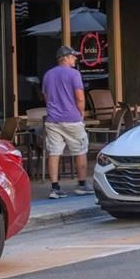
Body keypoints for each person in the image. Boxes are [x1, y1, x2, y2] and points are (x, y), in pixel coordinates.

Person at [41, 46, 92, 198]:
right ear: (64, 58)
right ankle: (82, 184)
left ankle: (55, 188)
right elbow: (80, 96)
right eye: (72, 56)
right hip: (72, 119)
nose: (75, 58)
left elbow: (46, 96)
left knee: (54, 152)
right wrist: (81, 113)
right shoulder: (74, 74)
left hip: (52, 120)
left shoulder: (48, 74)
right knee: (80, 150)